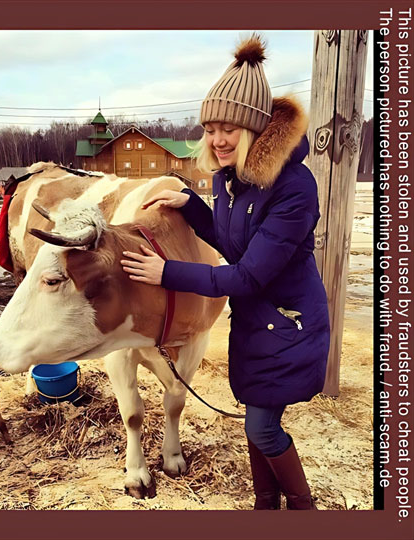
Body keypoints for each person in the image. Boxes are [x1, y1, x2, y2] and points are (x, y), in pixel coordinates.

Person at [120, 34, 330, 510]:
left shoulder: (294, 187)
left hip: (289, 323)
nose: (217, 140)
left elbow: (247, 274)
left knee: (263, 427)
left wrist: (166, 272)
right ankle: (265, 506)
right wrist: (191, 205)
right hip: (258, 324)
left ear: (253, 128)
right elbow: (234, 242)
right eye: (210, 127)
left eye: (229, 128)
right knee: (257, 422)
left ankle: (303, 510)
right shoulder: (229, 179)